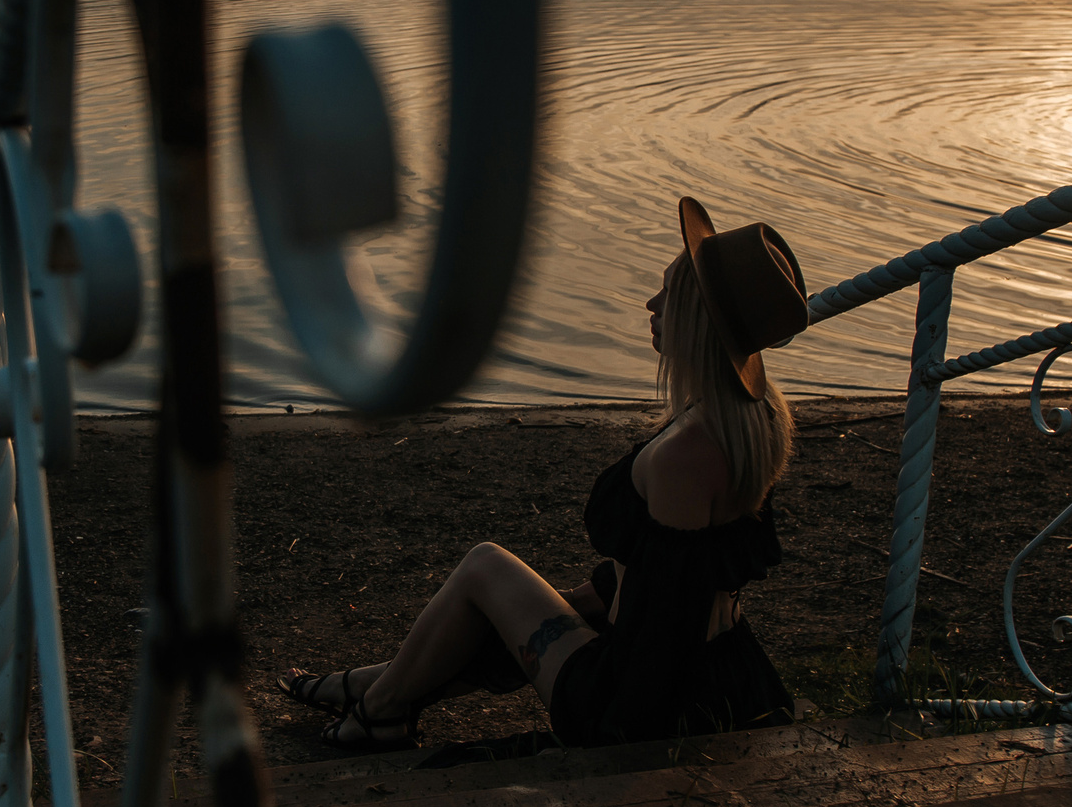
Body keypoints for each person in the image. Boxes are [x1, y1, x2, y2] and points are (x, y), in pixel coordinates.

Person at [283, 196, 807, 751]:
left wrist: (621, 735)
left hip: (646, 699)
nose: (651, 304)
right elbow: (674, 581)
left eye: (670, 293)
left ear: (701, 318)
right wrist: (556, 606)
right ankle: (384, 684)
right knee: (505, 599)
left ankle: (381, 708)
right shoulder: (755, 419)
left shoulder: (690, 453)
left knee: (485, 565)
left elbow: (662, 630)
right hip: (727, 669)